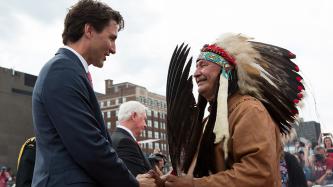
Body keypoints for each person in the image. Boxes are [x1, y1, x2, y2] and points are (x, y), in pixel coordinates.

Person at [32, 1, 154, 186]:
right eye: (111, 38)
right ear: (89, 30)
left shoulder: (69, 70)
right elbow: (89, 147)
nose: (113, 49)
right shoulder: (62, 71)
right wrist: (133, 184)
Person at [165, 33, 306, 187]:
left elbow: (258, 174)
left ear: (226, 68)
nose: (196, 73)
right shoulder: (208, 120)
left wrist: (195, 185)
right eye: (196, 66)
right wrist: (165, 182)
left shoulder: (249, 111)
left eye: (203, 65)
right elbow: (193, 170)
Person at [111, 101, 152, 177]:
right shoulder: (125, 142)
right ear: (134, 115)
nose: (145, 125)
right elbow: (142, 180)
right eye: (144, 119)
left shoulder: (115, 138)